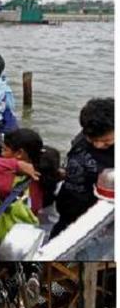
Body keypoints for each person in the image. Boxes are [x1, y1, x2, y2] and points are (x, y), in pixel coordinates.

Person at [0, 129, 60, 241]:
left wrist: (15, 164)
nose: (2, 154)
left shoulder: (10, 182)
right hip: (27, 232)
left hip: (3, 234)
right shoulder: (46, 174)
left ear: (19, 153)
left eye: (5, 149)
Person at [51, 98, 114, 238]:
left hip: (98, 214)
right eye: (92, 140)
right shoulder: (86, 134)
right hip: (68, 208)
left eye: (106, 141)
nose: (98, 145)